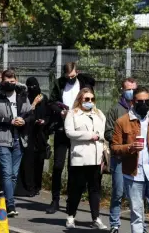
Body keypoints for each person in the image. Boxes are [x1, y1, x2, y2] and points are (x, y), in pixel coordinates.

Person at [112, 86, 149, 233]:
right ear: (133, 102)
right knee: (136, 214)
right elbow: (115, 147)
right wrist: (130, 147)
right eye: (140, 101)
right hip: (133, 174)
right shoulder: (122, 122)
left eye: (147, 101)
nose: (144, 105)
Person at [46, 62, 95, 214]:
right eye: (68, 76)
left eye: (73, 75)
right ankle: (55, 199)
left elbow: (91, 91)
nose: (70, 78)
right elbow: (52, 102)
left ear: (77, 72)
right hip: (62, 127)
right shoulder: (59, 83)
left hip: (78, 128)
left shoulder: (83, 82)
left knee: (73, 167)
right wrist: (59, 111)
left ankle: (70, 201)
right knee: (58, 166)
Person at [0, 69, 36, 217]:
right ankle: (10, 204)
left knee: (14, 174)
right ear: (2, 81)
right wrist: (10, 121)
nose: (10, 84)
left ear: (16, 80)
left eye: (12, 81)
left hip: (19, 138)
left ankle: (7, 197)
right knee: (7, 172)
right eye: (7, 82)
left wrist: (24, 120)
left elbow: (30, 114)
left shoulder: (22, 94)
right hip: (2, 138)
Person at [64, 88, 107, 229]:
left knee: (95, 190)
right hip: (80, 157)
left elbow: (103, 132)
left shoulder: (99, 114)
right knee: (77, 188)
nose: (90, 102)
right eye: (86, 99)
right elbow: (69, 132)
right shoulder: (73, 114)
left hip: (96, 157)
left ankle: (96, 218)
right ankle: (71, 216)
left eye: (92, 99)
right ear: (80, 99)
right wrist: (89, 135)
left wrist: (99, 138)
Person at [105, 78, 140, 233]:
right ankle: (114, 224)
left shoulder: (141, 109)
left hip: (137, 158)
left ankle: (139, 226)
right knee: (118, 192)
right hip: (119, 158)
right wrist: (124, 141)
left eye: (133, 89)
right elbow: (108, 132)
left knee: (136, 194)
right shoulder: (116, 110)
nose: (130, 92)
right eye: (128, 89)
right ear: (122, 90)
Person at [15, 77, 51, 197]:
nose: (32, 89)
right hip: (28, 133)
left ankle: (37, 186)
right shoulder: (26, 98)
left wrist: (44, 122)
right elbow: (25, 113)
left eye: (34, 87)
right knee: (28, 161)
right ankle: (29, 186)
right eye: (30, 87)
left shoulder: (43, 98)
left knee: (39, 161)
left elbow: (48, 114)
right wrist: (34, 104)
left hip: (40, 134)